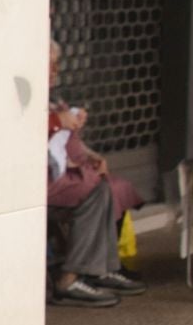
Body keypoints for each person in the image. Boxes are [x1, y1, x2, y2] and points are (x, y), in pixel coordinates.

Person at [47, 39, 144, 305]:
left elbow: (71, 143)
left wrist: (90, 156)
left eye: (56, 64)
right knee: (94, 191)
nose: (54, 70)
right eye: (49, 64)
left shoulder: (54, 99)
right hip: (39, 180)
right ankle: (70, 278)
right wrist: (57, 122)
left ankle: (101, 268)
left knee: (109, 185)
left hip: (58, 173)